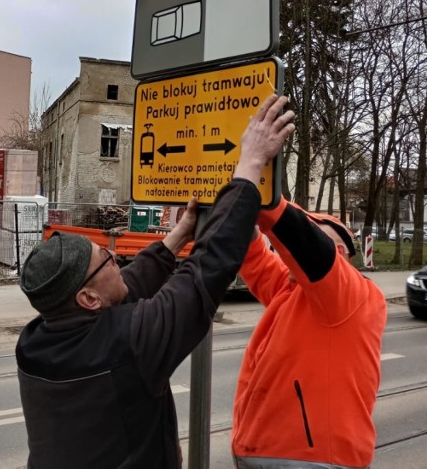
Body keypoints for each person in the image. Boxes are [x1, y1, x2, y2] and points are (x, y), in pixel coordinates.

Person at [15, 94, 295, 468]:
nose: (115, 256)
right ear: (88, 299)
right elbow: (206, 270)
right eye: (105, 259)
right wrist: (250, 163)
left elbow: (125, 287)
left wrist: (178, 235)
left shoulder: (35, 342)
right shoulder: (128, 343)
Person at [231, 201, 387, 468]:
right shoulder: (292, 289)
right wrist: (237, 210)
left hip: (314, 459)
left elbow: (304, 242)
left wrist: (265, 199)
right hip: (270, 452)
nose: (287, 251)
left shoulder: (353, 294)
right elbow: (256, 258)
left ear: (337, 253)